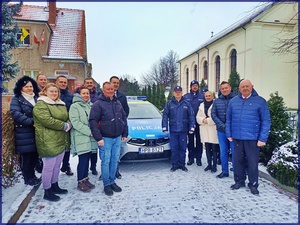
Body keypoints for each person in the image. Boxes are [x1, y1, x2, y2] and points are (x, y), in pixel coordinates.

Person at [226, 79, 271, 195]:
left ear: (252, 87)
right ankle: (239, 181)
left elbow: (266, 121)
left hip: (253, 138)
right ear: (239, 89)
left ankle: (253, 184)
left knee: (252, 162)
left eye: (247, 86)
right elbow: (228, 119)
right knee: (238, 161)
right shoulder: (233, 101)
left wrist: (262, 138)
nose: (245, 88)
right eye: (242, 87)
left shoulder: (260, 101)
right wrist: (229, 134)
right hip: (237, 137)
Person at [89, 82, 128, 196]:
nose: (111, 91)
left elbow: (123, 119)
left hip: (117, 137)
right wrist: (98, 137)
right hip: (105, 138)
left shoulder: (117, 103)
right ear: (103, 90)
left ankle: (112, 181)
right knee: (106, 161)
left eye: (112, 89)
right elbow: (93, 121)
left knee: (115, 160)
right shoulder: (98, 104)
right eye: (108, 89)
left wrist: (125, 132)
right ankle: (107, 184)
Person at [33, 83, 70, 201]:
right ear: (45, 92)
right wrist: (64, 125)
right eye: (51, 91)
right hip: (48, 140)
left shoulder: (60, 104)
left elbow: (66, 116)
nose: (54, 93)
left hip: (60, 139)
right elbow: (47, 120)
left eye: (56, 91)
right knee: (48, 167)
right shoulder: (41, 104)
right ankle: (47, 190)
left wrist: (68, 123)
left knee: (57, 165)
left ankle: (55, 185)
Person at [10, 76, 41, 186]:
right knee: (27, 157)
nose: (29, 88)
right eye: (26, 86)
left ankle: (33, 176)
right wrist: (31, 122)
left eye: (31, 86)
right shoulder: (17, 98)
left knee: (34, 156)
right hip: (24, 133)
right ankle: (27, 178)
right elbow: (15, 113)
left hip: (36, 132)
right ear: (21, 88)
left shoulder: (37, 97)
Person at [69, 86, 97, 192]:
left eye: (87, 93)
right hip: (81, 136)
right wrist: (89, 132)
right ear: (79, 94)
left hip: (90, 138)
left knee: (87, 159)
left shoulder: (91, 105)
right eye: (83, 93)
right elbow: (75, 122)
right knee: (83, 160)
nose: (86, 95)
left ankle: (86, 179)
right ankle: (80, 181)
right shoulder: (75, 106)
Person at [162, 86, 195, 172]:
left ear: (182, 92)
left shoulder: (186, 103)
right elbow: (165, 115)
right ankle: (174, 164)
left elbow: (191, 116)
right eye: (176, 92)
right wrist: (164, 127)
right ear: (173, 93)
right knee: (174, 148)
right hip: (173, 130)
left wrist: (192, 127)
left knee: (183, 148)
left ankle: (182, 164)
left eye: (179, 92)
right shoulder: (169, 104)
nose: (178, 93)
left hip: (184, 130)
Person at [211, 81, 236, 178]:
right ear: (220, 90)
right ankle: (224, 171)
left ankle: (236, 171)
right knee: (223, 151)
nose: (225, 90)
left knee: (235, 152)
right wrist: (221, 124)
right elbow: (213, 114)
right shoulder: (217, 101)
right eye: (222, 88)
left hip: (234, 131)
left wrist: (230, 125)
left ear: (230, 88)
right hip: (221, 131)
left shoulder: (236, 99)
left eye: (226, 88)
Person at [109, 75, 130, 179]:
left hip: (118, 128)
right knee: (106, 153)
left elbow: (126, 110)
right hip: (107, 129)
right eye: (114, 82)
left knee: (116, 152)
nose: (116, 84)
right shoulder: (104, 95)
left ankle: (116, 171)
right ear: (110, 83)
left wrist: (122, 120)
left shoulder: (122, 96)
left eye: (117, 83)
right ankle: (106, 172)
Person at [55, 75, 74, 176]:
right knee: (56, 147)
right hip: (55, 125)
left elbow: (72, 110)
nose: (63, 84)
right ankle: (55, 169)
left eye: (64, 82)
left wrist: (70, 122)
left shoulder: (70, 96)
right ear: (56, 83)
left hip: (67, 125)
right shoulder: (53, 94)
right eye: (61, 82)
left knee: (67, 147)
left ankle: (66, 165)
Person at [196, 91, 219, 173]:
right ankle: (209, 164)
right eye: (206, 96)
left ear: (212, 96)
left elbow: (217, 116)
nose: (208, 97)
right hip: (204, 129)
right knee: (207, 148)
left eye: (209, 96)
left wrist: (208, 120)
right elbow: (198, 116)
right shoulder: (201, 105)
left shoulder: (216, 104)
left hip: (213, 129)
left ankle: (214, 166)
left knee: (214, 149)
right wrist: (202, 120)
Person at [183, 80, 204, 166]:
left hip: (200, 123)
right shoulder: (186, 97)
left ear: (198, 87)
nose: (195, 87)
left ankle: (199, 159)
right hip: (189, 123)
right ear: (190, 87)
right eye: (193, 85)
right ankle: (191, 158)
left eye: (196, 85)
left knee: (199, 141)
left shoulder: (202, 96)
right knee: (190, 141)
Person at [83, 77, 101, 175]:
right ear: (84, 84)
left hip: (95, 125)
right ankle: (84, 169)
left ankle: (93, 167)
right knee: (86, 150)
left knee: (94, 150)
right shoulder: (79, 94)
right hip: (84, 126)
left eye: (91, 83)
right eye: (87, 83)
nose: (89, 84)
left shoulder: (98, 95)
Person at [35, 73, 48, 173]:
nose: (43, 81)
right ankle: (39, 167)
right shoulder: (34, 92)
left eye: (45, 80)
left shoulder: (48, 93)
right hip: (37, 123)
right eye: (41, 79)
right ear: (37, 80)